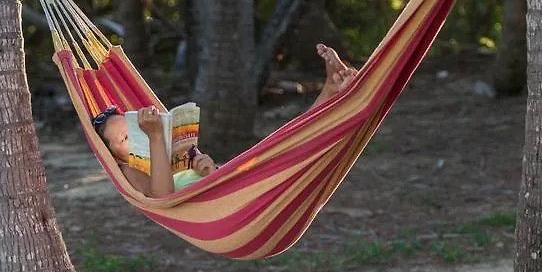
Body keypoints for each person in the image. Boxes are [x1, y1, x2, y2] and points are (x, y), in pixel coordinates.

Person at [94, 43, 357, 197]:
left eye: (132, 127)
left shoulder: (169, 152)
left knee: (281, 148)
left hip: (231, 193)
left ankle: (330, 93)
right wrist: (153, 136)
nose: (133, 134)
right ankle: (332, 95)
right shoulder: (131, 170)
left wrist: (210, 170)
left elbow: (210, 187)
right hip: (231, 206)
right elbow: (164, 198)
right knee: (286, 155)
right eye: (125, 137)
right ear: (115, 157)